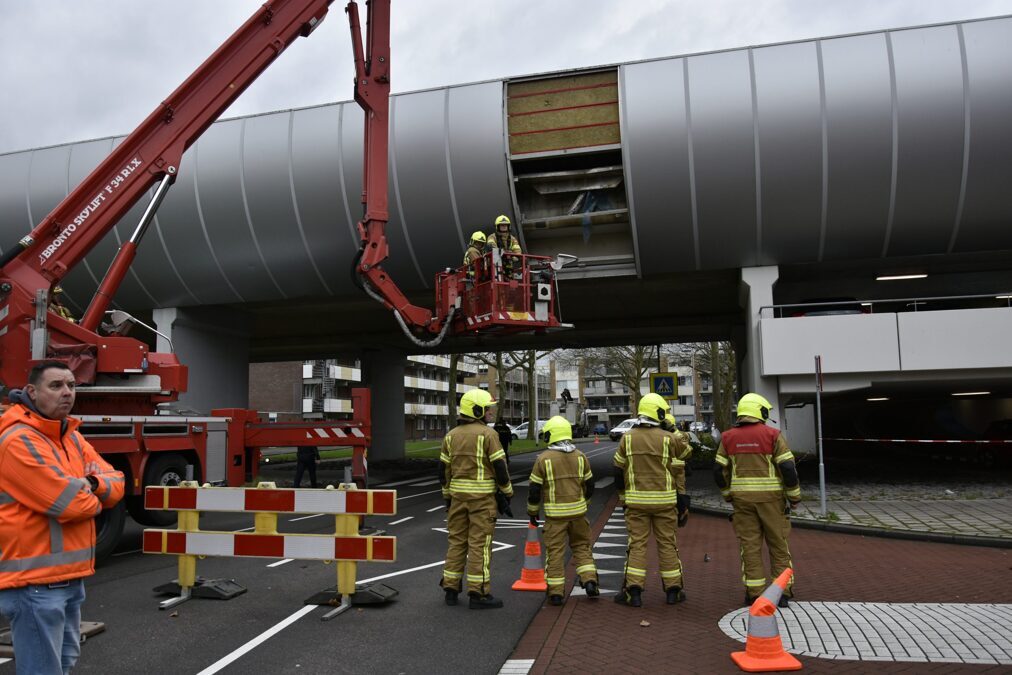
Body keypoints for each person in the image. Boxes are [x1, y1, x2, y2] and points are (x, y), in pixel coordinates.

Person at [0, 361, 124, 674]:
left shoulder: (71, 437)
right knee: (42, 669)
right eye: (56, 386)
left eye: (71, 385)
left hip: (68, 580)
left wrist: (92, 483)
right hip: (35, 584)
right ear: (31, 391)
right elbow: (70, 505)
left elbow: (118, 482)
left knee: (64, 661)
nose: (67, 392)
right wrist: (94, 498)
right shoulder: (19, 441)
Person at [713, 393, 801, 607]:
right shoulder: (773, 435)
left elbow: (718, 470)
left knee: (749, 547)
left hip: (742, 501)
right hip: (772, 501)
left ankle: (754, 593)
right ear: (760, 411)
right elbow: (787, 468)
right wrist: (794, 496)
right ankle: (782, 593)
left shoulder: (727, 437)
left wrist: (727, 495)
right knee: (778, 545)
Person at [612, 393, 690, 607]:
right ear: (658, 413)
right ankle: (673, 591)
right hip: (665, 502)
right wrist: (672, 429)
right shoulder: (668, 438)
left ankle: (633, 593)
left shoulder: (627, 438)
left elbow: (618, 471)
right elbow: (687, 452)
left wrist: (623, 497)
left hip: (636, 502)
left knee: (637, 545)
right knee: (667, 544)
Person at [439, 389, 514, 609]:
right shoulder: (488, 435)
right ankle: (479, 593)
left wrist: (447, 497)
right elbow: (500, 467)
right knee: (480, 546)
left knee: (456, 543)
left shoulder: (451, 435)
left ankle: (451, 589)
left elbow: (443, 471)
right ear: (478, 410)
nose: (491, 412)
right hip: (482, 501)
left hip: (457, 499)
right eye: (488, 409)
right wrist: (507, 492)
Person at [527, 416, 599, 606]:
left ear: (551, 435)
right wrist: (586, 502)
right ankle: (590, 580)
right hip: (578, 514)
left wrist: (533, 511)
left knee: (555, 553)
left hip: (555, 517)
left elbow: (534, 490)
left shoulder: (543, 459)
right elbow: (590, 484)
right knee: (582, 547)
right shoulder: (581, 456)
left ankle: (556, 593)